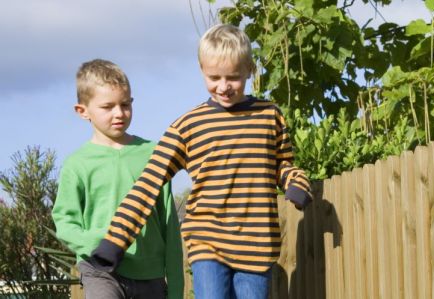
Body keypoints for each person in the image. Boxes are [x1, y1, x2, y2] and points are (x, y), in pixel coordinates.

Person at [90, 24, 312, 299]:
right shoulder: (189, 125)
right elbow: (148, 184)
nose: (223, 87)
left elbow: (282, 165)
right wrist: (115, 240)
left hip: (257, 244)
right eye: (214, 77)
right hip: (208, 241)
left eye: (233, 77)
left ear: (249, 70)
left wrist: (295, 181)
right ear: (201, 69)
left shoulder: (269, 116)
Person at [52, 59, 184, 299]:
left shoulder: (155, 153)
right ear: (83, 111)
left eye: (125, 104)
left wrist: (176, 287)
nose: (119, 113)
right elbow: (64, 223)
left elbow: (169, 224)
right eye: (108, 106)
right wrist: (99, 241)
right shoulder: (77, 164)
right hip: (99, 271)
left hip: (150, 274)